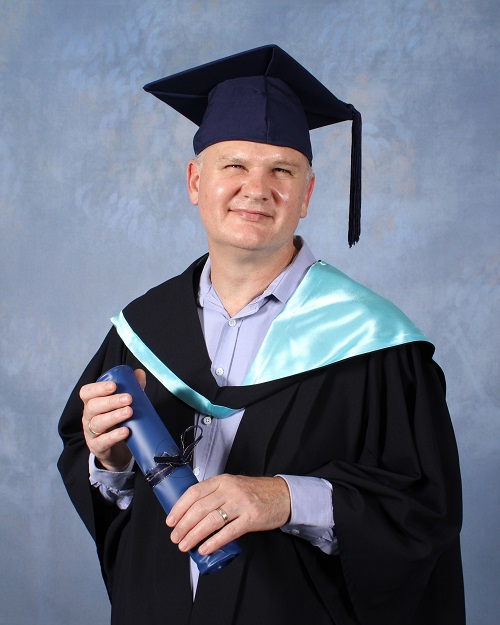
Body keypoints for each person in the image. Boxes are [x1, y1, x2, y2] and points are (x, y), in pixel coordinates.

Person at [58, 45, 465, 625]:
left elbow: (423, 511)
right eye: (235, 166)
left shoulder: (374, 344)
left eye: (282, 170)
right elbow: (105, 491)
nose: (257, 188)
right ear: (196, 181)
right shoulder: (142, 329)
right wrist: (113, 459)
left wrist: (285, 497)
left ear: (307, 195)